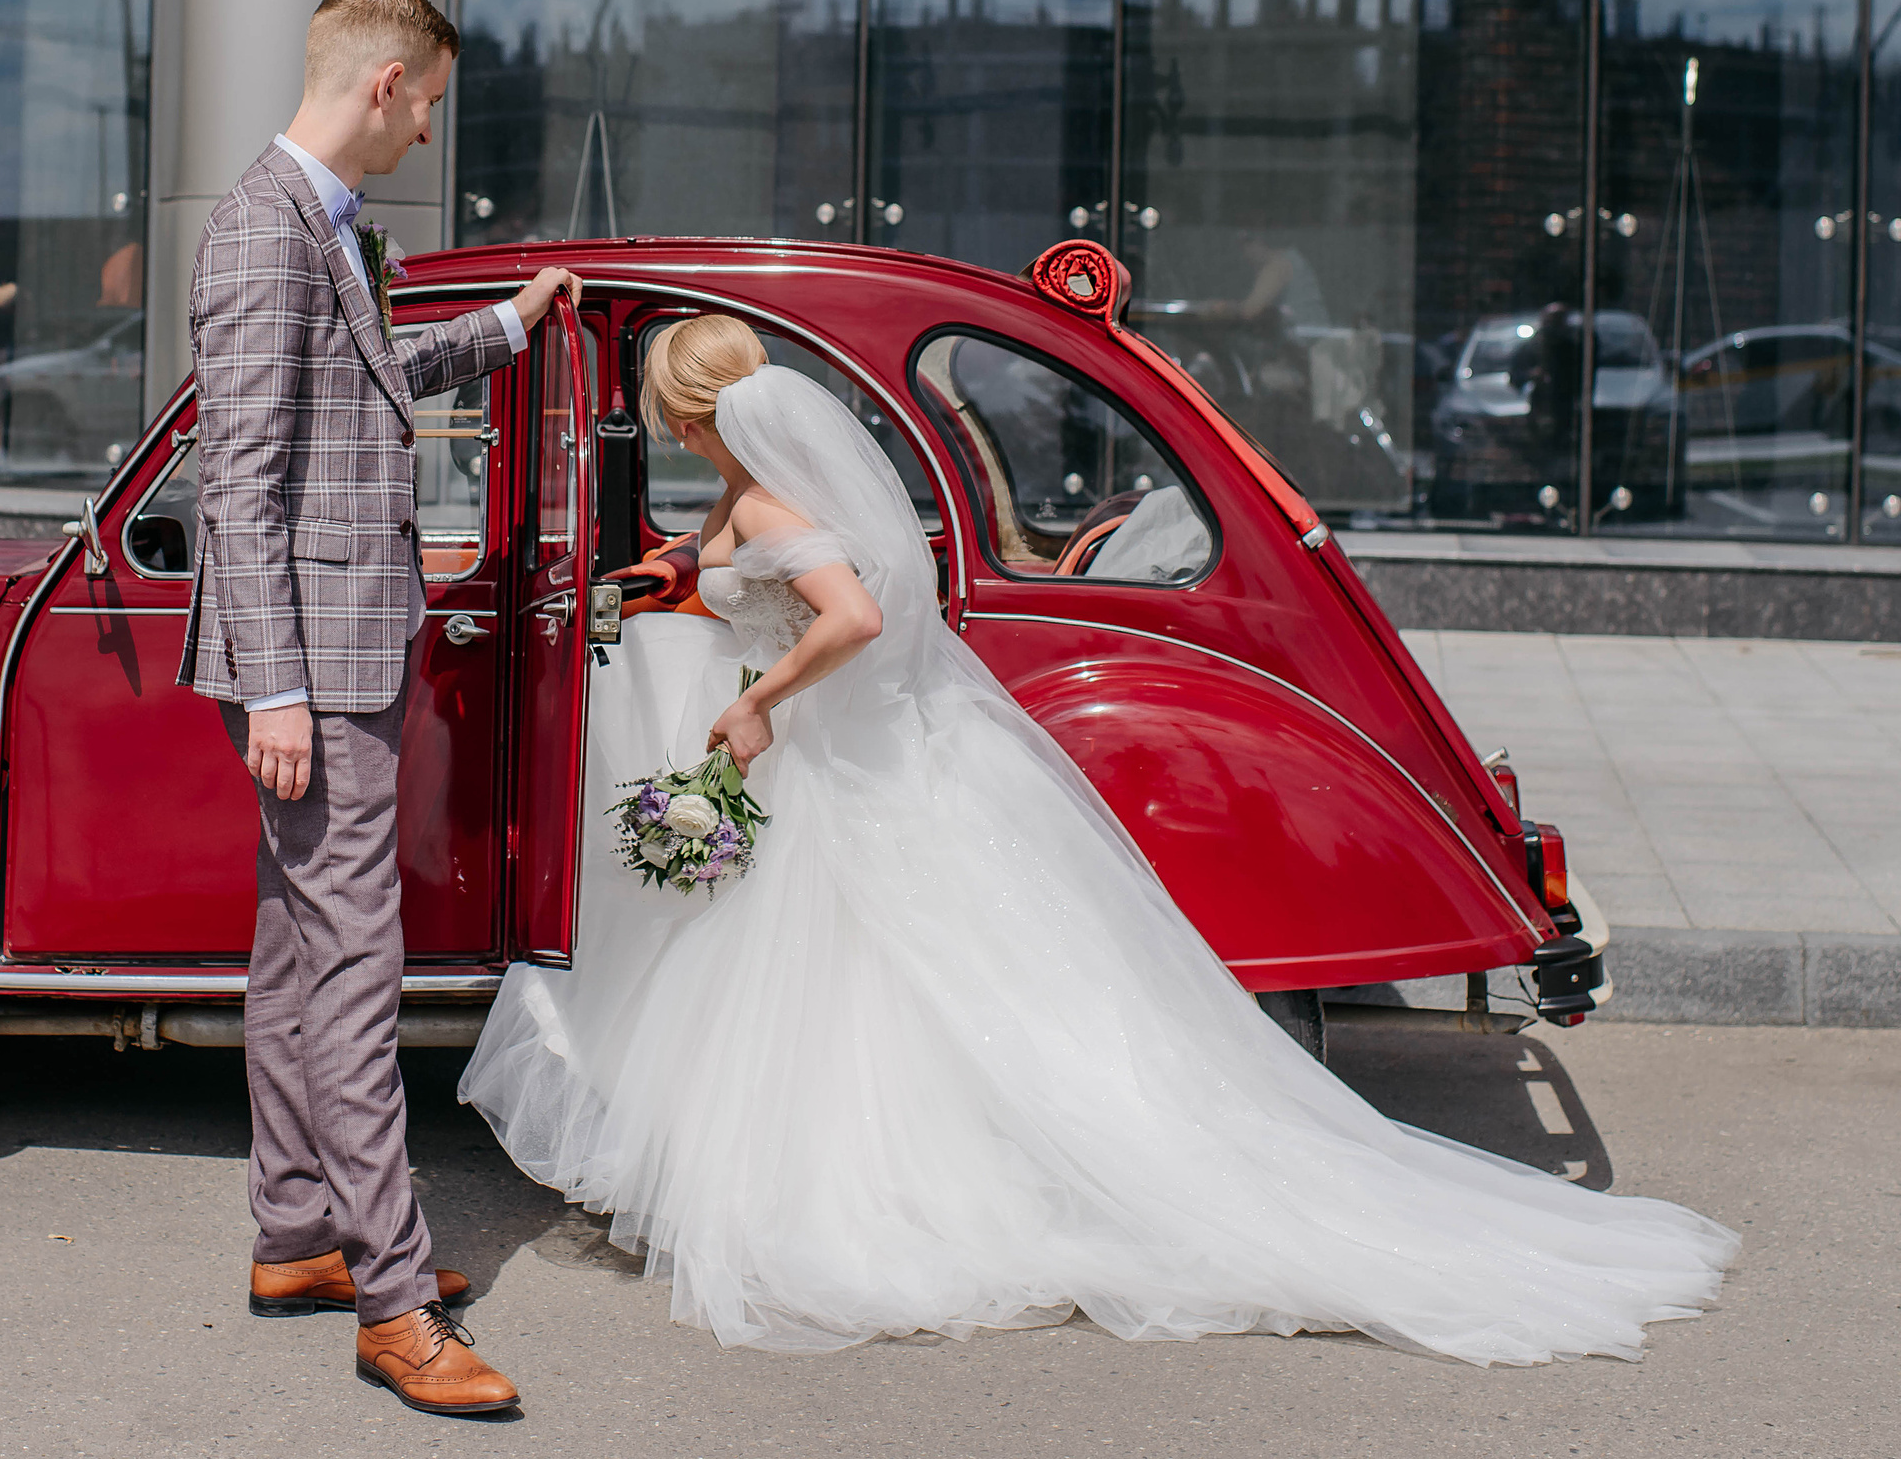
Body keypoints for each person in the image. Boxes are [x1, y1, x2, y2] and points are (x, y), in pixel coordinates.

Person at [459, 312, 1736, 1363]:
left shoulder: (771, 497)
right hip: (869, 762)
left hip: (825, 767)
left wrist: (750, 699)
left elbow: (844, 613)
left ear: (694, 421)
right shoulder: (755, 488)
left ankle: (886, 1188)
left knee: (853, 980)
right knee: (902, 983)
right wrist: (667, 569)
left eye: (669, 420)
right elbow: (747, 551)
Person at [180, 0, 581, 1416]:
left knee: (301, 949)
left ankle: (297, 1233)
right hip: (315, 665)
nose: (425, 141)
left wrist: (507, 327)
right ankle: (394, 1300)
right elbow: (243, 482)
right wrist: (278, 688)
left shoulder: (313, 227)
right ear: (385, 87)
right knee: (356, 966)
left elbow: (364, 391)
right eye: (427, 111)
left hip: (340, 649)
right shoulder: (262, 233)